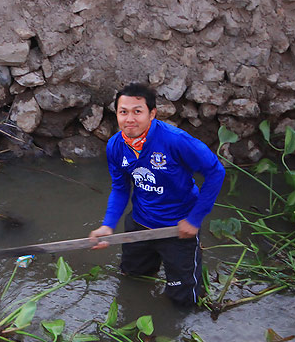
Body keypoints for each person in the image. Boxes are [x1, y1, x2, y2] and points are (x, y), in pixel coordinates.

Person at [89, 83, 225, 307]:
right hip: (140, 224)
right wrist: (107, 225)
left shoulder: (175, 140)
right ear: (117, 114)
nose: (129, 119)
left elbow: (215, 172)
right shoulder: (115, 145)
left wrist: (194, 220)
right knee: (132, 279)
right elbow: (121, 188)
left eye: (137, 111)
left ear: (152, 113)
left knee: (183, 300)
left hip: (178, 228)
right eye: (123, 112)